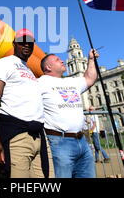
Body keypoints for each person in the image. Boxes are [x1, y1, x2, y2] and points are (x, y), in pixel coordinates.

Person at [0, 29, 53, 178]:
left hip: (39, 136)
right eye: (22, 42)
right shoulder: (5, 62)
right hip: (17, 135)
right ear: (15, 43)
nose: (26, 45)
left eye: (30, 42)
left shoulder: (30, 70)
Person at [38, 50, 98, 178]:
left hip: (82, 141)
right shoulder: (39, 83)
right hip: (60, 142)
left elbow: (90, 78)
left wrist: (91, 59)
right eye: (57, 59)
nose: (62, 60)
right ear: (48, 67)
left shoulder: (72, 81)